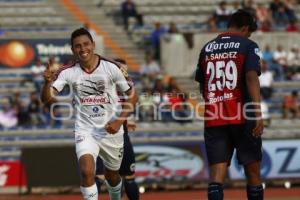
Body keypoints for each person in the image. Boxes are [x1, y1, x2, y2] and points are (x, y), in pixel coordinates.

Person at [41, 28, 138, 200]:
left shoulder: (112, 67)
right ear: (73, 50)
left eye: (86, 44)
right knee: (87, 172)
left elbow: (133, 95)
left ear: (93, 45)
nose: (82, 49)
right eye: (77, 46)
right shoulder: (67, 71)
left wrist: (119, 121)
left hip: (111, 130)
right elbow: (47, 99)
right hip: (85, 130)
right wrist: (47, 83)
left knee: (112, 176)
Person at [195, 10, 264, 200]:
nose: (249, 36)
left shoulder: (207, 48)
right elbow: (251, 77)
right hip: (243, 117)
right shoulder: (248, 46)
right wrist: (257, 114)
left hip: (215, 117)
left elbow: (203, 85)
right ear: (244, 28)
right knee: (253, 173)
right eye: (249, 32)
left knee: (216, 176)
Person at [94, 58, 139, 200]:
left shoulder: (126, 92)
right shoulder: (104, 89)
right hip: (103, 136)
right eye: (121, 70)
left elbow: (129, 105)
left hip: (122, 134)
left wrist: (126, 121)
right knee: (101, 175)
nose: (125, 74)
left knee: (128, 175)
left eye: (126, 71)